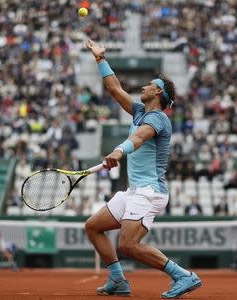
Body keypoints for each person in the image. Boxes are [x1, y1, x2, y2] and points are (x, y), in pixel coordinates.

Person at [84, 39, 202, 298]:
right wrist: (100, 59)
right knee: (93, 226)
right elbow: (115, 89)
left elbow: (138, 139)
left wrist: (118, 151)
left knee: (128, 244)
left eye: (151, 84)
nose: (145, 86)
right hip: (134, 191)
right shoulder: (139, 111)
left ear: (158, 93)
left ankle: (183, 276)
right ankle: (118, 280)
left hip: (150, 192)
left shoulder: (158, 118)